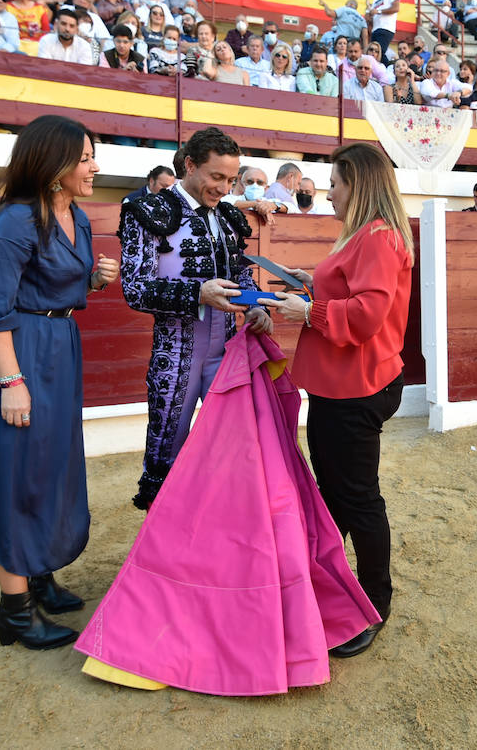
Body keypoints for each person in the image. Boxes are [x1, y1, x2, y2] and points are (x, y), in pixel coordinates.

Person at [0, 114, 120, 649]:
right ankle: (14, 610)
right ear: (54, 167)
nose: (95, 166)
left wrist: (92, 282)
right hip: (15, 354)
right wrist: (11, 381)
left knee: (51, 467)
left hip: (57, 349)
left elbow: (55, 288)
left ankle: (40, 573)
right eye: (85, 157)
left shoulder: (74, 214)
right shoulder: (14, 222)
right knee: (14, 474)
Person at [260, 142, 415, 658]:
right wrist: (312, 285)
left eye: (335, 183)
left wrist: (308, 312)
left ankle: (373, 604)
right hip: (347, 383)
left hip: (355, 387)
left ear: (358, 185)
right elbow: (353, 296)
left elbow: (367, 315)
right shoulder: (371, 236)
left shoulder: (376, 237)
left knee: (355, 498)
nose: (327, 192)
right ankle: (330, 585)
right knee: (339, 495)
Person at [118, 128, 271, 509]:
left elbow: (238, 274)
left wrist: (256, 305)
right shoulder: (148, 211)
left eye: (230, 180)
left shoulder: (229, 218)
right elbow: (135, 288)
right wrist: (196, 294)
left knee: (239, 445)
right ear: (189, 165)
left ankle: (220, 536)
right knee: (166, 449)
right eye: (216, 177)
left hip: (227, 349)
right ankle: (165, 550)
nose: (224, 188)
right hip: (177, 354)